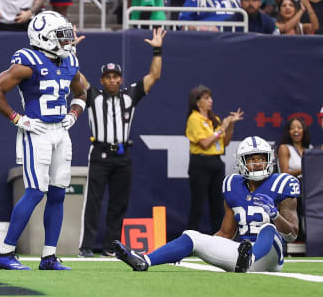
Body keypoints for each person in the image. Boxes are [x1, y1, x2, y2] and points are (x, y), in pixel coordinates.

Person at [0, 11, 87, 270]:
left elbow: (83, 91)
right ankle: (5, 253)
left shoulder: (68, 61)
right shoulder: (27, 60)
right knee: (34, 192)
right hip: (37, 131)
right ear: (44, 38)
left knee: (58, 193)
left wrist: (74, 114)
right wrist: (17, 118)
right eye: (61, 36)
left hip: (61, 133)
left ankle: (49, 256)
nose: (68, 41)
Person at [114, 137, 299, 273]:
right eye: (252, 159)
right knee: (192, 236)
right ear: (242, 162)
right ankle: (144, 260)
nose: (257, 164)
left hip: (270, 257)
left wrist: (275, 215)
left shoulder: (282, 183)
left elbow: (292, 234)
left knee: (268, 228)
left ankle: (248, 258)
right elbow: (226, 233)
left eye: (261, 158)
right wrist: (199, 246)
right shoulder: (232, 185)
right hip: (241, 253)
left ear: (269, 159)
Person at [78, 28, 166, 258]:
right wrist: (69, 50)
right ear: (102, 80)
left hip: (123, 155)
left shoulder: (130, 95)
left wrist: (157, 49)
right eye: (108, 77)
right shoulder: (93, 96)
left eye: (116, 76)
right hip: (100, 153)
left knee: (119, 203)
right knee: (94, 201)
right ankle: (86, 246)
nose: (113, 80)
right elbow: (76, 78)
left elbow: (154, 76)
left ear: (121, 78)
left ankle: (110, 247)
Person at [185, 85, 243, 234]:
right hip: (200, 162)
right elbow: (204, 143)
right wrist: (221, 128)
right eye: (206, 98)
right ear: (198, 102)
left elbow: (225, 143)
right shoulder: (194, 118)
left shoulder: (214, 119)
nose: (210, 101)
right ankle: (190, 241)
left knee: (218, 205)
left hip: (216, 162)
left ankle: (219, 240)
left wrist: (230, 126)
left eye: (210, 98)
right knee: (197, 205)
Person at [278, 117, 311, 243]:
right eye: (292, 128)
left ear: (304, 131)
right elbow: (285, 172)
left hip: (310, 189)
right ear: (288, 132)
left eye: (299, 127)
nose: (295, 131)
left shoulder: (310, 149)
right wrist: (305, 169)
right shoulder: (284, 148)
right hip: (291, 190)